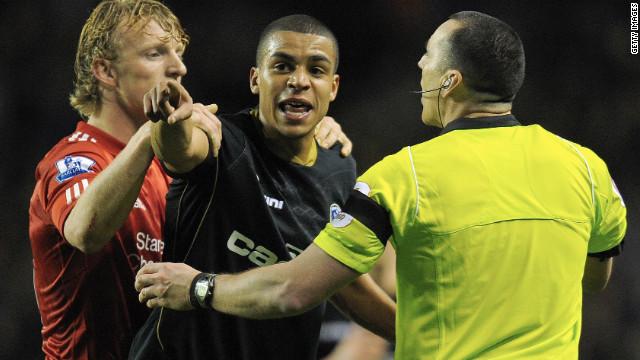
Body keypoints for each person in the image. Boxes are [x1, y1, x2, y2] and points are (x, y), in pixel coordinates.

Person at [135, 10, 628, 359]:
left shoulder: (402, 175)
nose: (419, 65)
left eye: (429, 56)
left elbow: (295, 290)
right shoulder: (587, 168)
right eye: (283, 65)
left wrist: (198, 286)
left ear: (449, 81)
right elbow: (593, 278)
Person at [28, 1, 350, 359]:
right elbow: (85, 233)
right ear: (106, 71)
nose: (178, 67)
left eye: (178, 54)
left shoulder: (173, 163)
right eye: (155, 54)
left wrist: (306, 135)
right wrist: (150, 134)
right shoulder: (74, 158)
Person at [129, 14, 395, 360]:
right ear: (256, 79)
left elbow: (339, 281)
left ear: (333, 87)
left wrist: (433, 342)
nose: (298, 80)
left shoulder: (339, 168)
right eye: (282, 66)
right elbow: (180, 150)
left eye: (316, 70)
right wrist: (167, 121)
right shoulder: (224, 141)